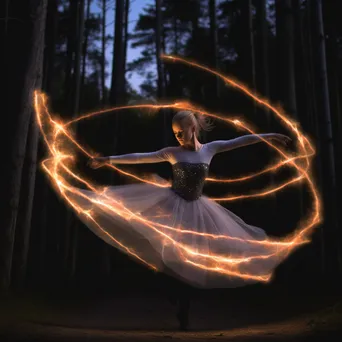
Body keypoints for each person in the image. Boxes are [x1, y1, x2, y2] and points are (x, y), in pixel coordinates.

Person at [71, 110, 290, 330]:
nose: (177, 136)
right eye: (175, 133)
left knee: (191, 260)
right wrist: (108, 160)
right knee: (169, 257)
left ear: (192, 129)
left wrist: (269, 136)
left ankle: (183, 310)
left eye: (180, 131)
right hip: (172, 206)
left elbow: (240, 141)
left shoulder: (210, 149)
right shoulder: (172, 153)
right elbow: (140, 156)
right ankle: (170, 291)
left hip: (198, 210)